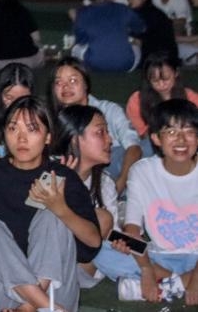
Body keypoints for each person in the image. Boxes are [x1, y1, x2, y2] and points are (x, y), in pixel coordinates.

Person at [0, 96, 101, 312]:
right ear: (4, 134)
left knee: (51, 215)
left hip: (54, 293)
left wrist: (61, 208)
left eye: (32, 129)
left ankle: (29, 306)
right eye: (13, 128)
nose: (21, 138)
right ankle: (36, 304)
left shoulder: (62, 178)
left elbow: (93, 242)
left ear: (48, 137)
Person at [113, 99, 198, 304]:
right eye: (171, 132)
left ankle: (170, 286)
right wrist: (146, 268)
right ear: (156, 138)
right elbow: (132, 227)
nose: (181, 140)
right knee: (106, 243)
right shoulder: (142, 171)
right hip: (159, 256)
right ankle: (174, 281)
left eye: (189, 131)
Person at [51, 104, 134, 290]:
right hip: (46, 259)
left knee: (106, 222)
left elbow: (113, 233)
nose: (110, 140)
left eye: (107, 132)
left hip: (80, 268)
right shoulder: (50, 173)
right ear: (75, 139)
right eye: (100, 132)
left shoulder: (104, 183)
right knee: (100, 218)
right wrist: (67, 186)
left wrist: (127, 243)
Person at [48, 57, 142, 194]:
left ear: (86, 84)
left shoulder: (109, 110)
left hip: (114, 176)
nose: (66, 87)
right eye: (58, 82)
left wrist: (120, 184)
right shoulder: (50, 120)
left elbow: (134, 147)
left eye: (73, 80)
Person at [124, 53, 198, 152]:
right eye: (155, 81)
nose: (161, 85)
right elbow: (141, 134)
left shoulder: (190, 97)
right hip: (153, 144)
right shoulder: (137, 100)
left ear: (176, 73)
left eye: (166, 79)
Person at [72, 0, 145, 72]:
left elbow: (81, 40)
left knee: (75, 48)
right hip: (127, 64)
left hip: (95, 65)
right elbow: (140, 28)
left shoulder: (82, 13)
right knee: (137, 43)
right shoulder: (123, 8)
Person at [127, 0, 179, 64]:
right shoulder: (139, 12)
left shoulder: (151, 14)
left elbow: (144, 36)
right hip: (158, 53)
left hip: (159, 56)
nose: (130, 0)